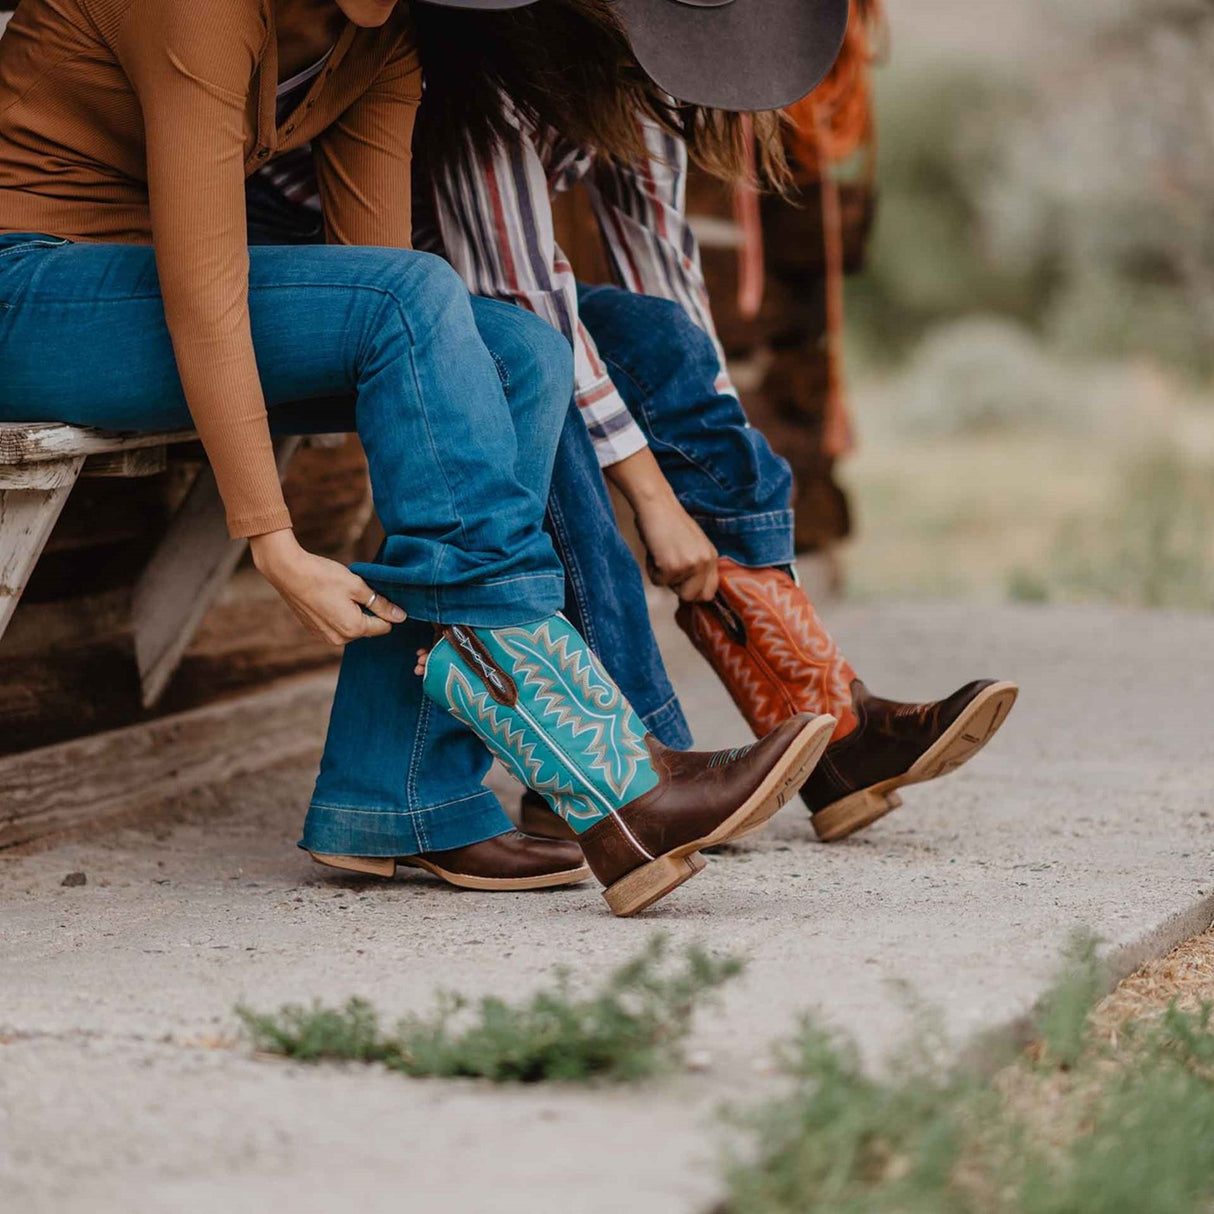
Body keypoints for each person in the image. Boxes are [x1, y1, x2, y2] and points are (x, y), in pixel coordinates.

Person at [0, 0, 845, 916]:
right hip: (35, 290)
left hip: (153, 293)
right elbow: (208, 297)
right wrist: (272, 539)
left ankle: (397, 791)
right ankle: (612, 773)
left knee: (517, 350)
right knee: (416, 302)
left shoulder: (381, 43)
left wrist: (427, 409)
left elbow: (388, 284)